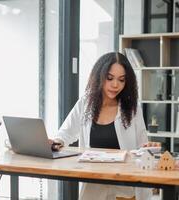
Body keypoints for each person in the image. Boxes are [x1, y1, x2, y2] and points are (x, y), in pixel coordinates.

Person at [50, 52, 152, 200]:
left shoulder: (132, 108)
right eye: (109, 78)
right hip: (93, 186)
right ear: (100, 76)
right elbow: (66, 133)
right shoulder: (86, 103)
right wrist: (56, 143)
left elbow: (143, 146)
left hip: (124, 187)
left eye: (121, 80)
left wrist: (149, 148)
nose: (115, 85)